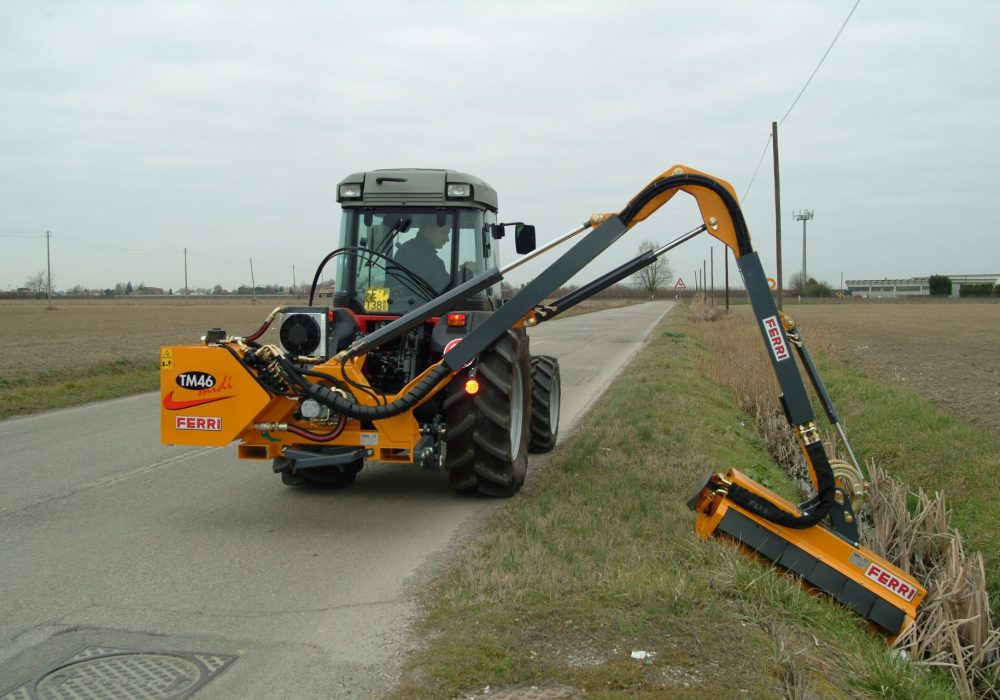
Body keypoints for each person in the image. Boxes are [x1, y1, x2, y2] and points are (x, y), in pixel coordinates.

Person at [392, 222, 451, 293]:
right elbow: (447, 289)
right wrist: (466, 271)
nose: (448, 239)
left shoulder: (409, 247)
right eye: (444, 233)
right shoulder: (424, 256)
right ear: (429, 230)